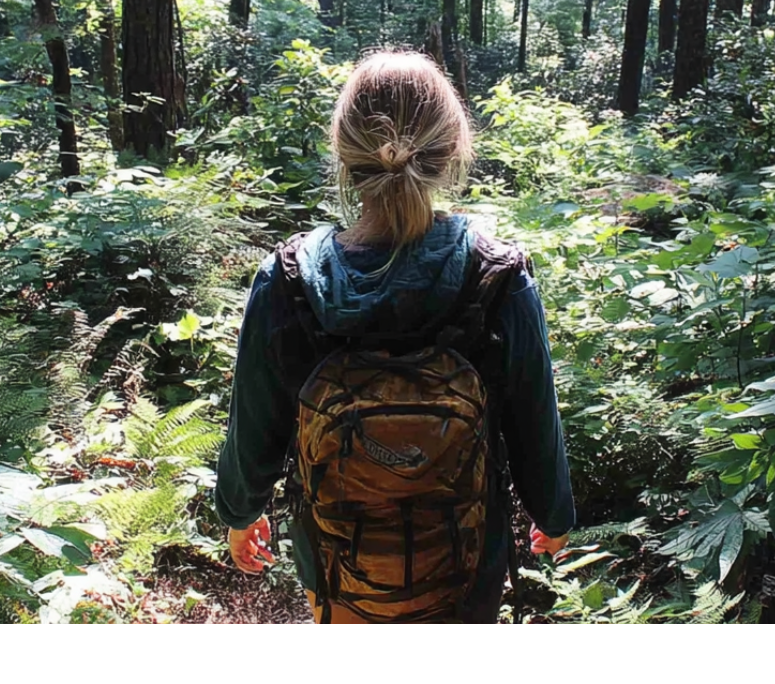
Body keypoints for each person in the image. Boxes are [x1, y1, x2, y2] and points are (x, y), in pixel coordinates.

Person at [213, 49, 574, 622]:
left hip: (336, 556)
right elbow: (535, 421)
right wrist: (552, 515)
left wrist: (240, 511)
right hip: (466, 556)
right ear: (452, 150)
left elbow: (255, 425)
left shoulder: (288, 279)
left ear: (345, 155)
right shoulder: (497, 275)